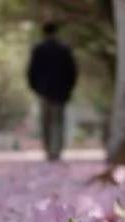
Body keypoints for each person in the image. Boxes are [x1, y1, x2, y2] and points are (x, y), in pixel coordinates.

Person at [27, 22, 78, 161]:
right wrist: (69, 88)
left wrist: (36, 88)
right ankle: (56, 151)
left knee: (46, 123)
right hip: (61, 92)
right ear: (56, 32)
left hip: (44, 91)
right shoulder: (64, 49)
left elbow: (31, 72)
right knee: (58, 122)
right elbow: (72, 72)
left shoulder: (38, 49)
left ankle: (49, 150)